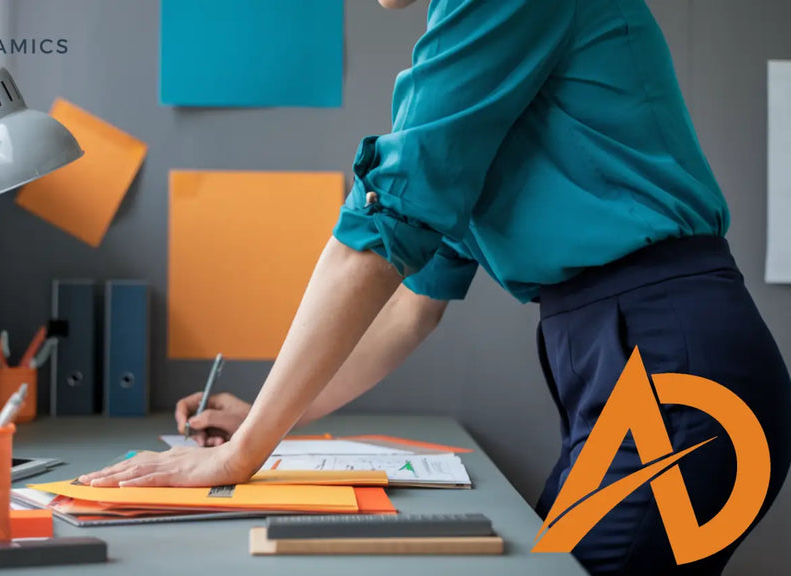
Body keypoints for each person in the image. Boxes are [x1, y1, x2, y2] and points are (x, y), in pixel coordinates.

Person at [80, 0, 791, 573]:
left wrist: (240, 456)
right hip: (630, 360)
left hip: (674, 365)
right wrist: (271, 416)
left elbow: (377, 239)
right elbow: (410, 307)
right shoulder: (479, 57)